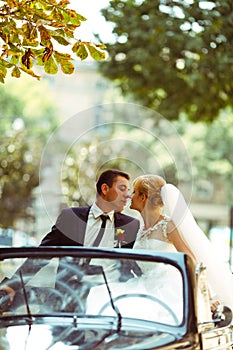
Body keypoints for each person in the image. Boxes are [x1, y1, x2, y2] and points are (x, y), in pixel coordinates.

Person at [86, 174, 233, 322]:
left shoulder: (167, 226)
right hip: (145, 284)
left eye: (135, 192)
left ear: (143, 197)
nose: (130, 196)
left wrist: (204, 295)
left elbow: (191, 260)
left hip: (169, 288)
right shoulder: (139, 228)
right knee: (100, 295)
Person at [0, 169, 141, 307]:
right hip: (69, 296)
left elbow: (131, 265)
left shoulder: (130, 224)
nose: (128, 195)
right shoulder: (70, 217)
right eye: (122, 189)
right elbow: (43, 254)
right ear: (105, 189)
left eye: (128, 190)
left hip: (109, 299)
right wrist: (12, 285)